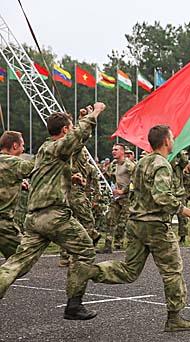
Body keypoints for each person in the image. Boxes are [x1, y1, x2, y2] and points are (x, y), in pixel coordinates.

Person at [78, 125, 190, 331]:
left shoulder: (141, 162)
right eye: (172, 137)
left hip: (136, 224)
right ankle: (174, 319)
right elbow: (161, 196)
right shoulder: (162, 164)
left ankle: (89, 270)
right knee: (172, 271)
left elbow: (133, 192)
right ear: (165, 142)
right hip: (156, 226)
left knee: (129, 270)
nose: (173, 141)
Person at [0, 103, 106, 320]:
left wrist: (70, 177)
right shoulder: (55, 147)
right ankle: (74, 305)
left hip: (34, 218)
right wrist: (95, 113)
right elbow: (77, 137)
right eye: (69, 127)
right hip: (53, 215)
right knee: (85, 250)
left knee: (18, 262)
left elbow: (68, 151)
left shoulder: (45, 150)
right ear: (65, 130)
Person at [0, 131, 35, 259]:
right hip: (4, 225)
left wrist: (17, 183)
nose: (23, 149)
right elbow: (35, 167)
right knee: (22, 258)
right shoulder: (14, 163)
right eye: (22, 145)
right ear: (15, 146)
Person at [100, 143, 135, 253]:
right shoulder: (114, 164)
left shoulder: (130, 165)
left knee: (123, 222)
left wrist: (123, 191)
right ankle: (107, 246)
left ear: (122, 152)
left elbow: (135, 182)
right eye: (112, 149)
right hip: (117, 197)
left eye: (116, 149)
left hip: (127, 198)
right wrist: (104, 173)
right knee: (110, 218)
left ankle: (119, 243)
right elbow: (110, 176)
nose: (113, 151)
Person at [171, 150, 190, 243]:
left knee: (182, 217)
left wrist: (180, 152)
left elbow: (185, 161)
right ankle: (167, 237)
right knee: (166, 218)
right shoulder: (164, 168)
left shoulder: (179, 167)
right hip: (169, 195)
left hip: (180, 194)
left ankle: (183, 237)